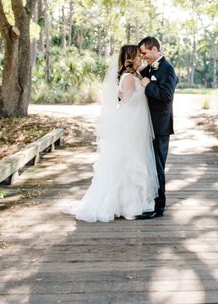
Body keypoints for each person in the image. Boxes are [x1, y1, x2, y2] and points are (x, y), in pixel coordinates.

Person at [65, 44, 158, 222]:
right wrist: (142, 89)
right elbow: (130, 99)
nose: (141, 58)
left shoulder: (133, 75)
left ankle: (128, 203)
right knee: (128, 160)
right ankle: (125, 205)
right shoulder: (129, 77)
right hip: (130, 123)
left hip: (133, 122)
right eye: (139, 56)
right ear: (131, 58)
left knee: (129, 159)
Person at [136, 36, 178, 219]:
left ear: (154, 49)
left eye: (144, 53)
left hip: (160, 126)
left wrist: (148, 85)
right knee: (149, 165)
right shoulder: (150, 68)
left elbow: (166, 96)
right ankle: (148, 201)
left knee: (157, 166)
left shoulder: (167, 69)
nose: (143, 57)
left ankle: (158, 207)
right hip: (147, 125)